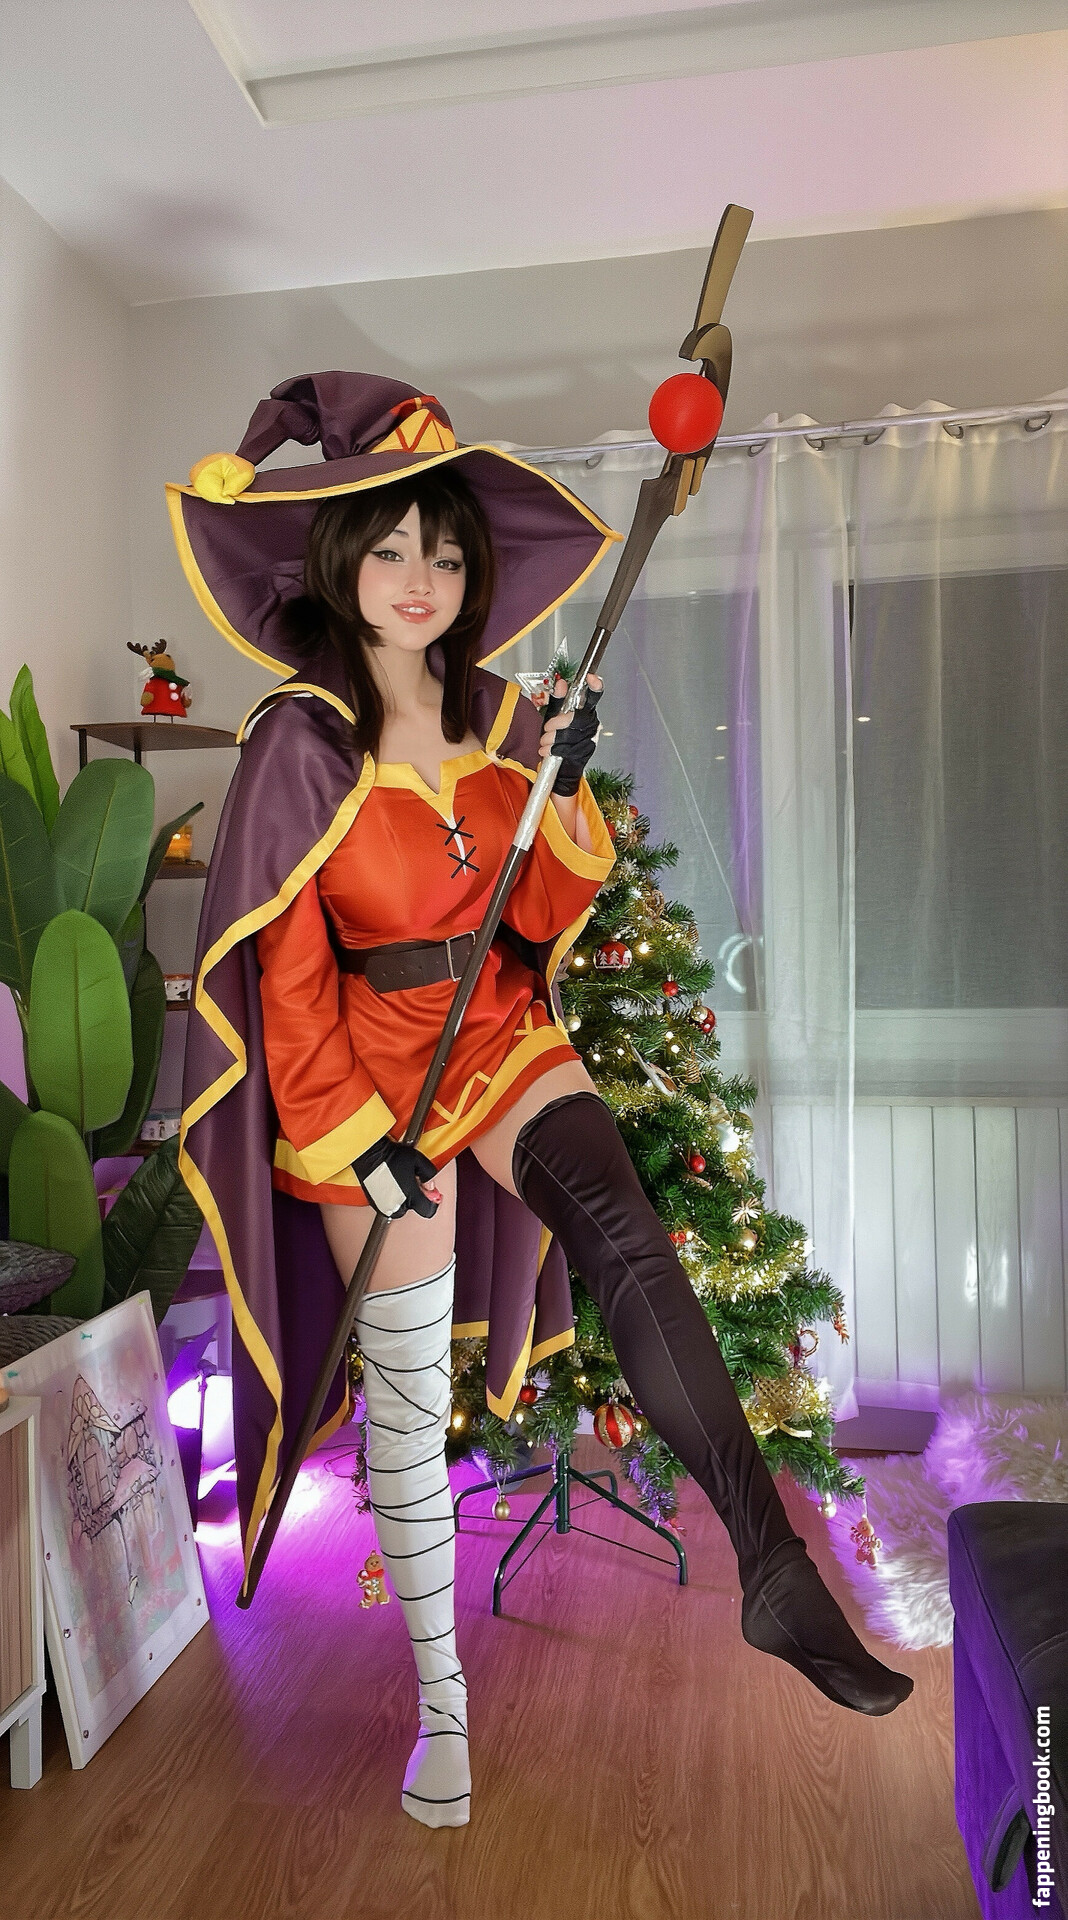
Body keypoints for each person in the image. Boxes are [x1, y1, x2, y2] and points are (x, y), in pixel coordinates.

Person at [174, 373, 911, 1834]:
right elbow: (290, 979)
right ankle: (442, 1708)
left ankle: (771, 1565)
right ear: (338, 557)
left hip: (499, 1040)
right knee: (407, 1418)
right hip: (366, 1084)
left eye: (448, 555)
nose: (423, 581)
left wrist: (559, 792)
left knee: (630, 1235)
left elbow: (541, 912)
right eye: (394, 549)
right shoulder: (299, 742)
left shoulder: (504, 716)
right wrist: (357, 1145)